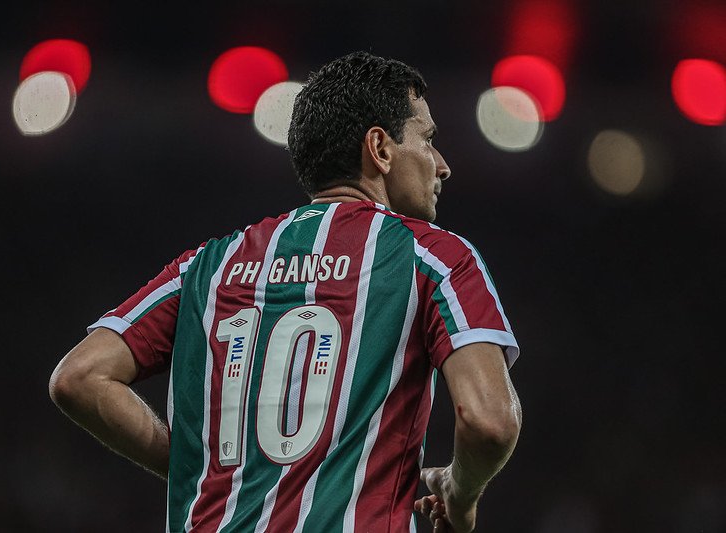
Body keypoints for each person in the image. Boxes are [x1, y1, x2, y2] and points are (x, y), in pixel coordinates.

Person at [49, 51, 522, 532]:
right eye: (428, 139)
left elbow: (80, 377)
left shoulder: (208, 266)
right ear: (379, 148)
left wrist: (198, 471)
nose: (442, 166)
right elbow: (489, 422)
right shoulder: (434, 256)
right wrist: (460, 491)